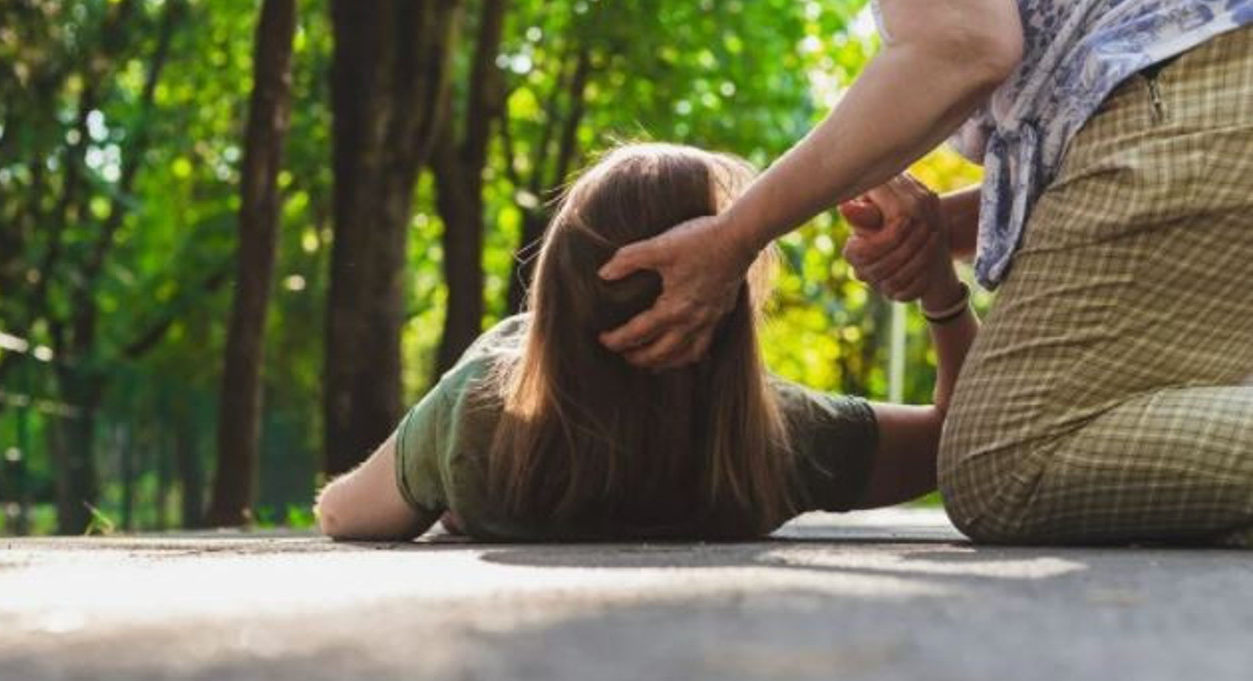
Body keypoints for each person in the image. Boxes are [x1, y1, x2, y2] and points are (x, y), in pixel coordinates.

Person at [596, 1, 1253, 545]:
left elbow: (962, 45)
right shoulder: (789, 437)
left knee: (1006, 463)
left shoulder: (786, 437)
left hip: (1193, 89)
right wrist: (936, 239)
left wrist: (735, 235)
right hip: (1211, 88)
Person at [314, 143, 977, 541]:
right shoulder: (776, 439)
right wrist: (941, 294)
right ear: (724, 308)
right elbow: (960, 444)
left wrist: (448, 458)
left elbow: (341, 515)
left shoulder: (478, 415)